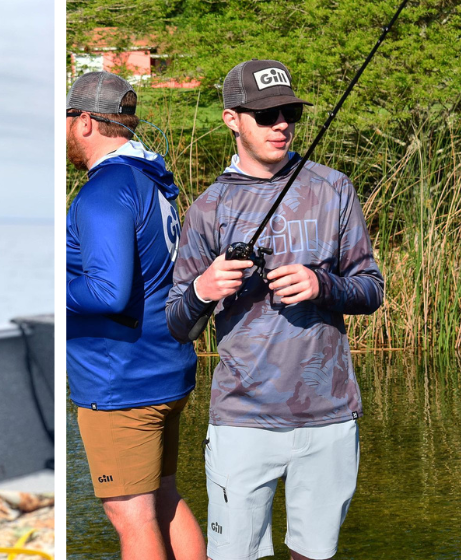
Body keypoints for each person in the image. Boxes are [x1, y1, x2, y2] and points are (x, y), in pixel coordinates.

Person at [166, 59, 385, 560]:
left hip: (329, 415)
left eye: (289, 112)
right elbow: (178, 324)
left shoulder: (334, 188)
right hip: (242, 419)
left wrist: (321, 283)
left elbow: (371, 290)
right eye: (266, 115)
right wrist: (203, 288)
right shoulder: (208, 208)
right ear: (232, 120)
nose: (281, 124)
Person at [66, 71, 205, 560]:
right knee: (162, 497)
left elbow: (106, 292)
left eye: (65, 120)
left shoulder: (105, 190)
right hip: (164, 371)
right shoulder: (150, 178)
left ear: (84, 122)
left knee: (132, 516)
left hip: (119, 381)